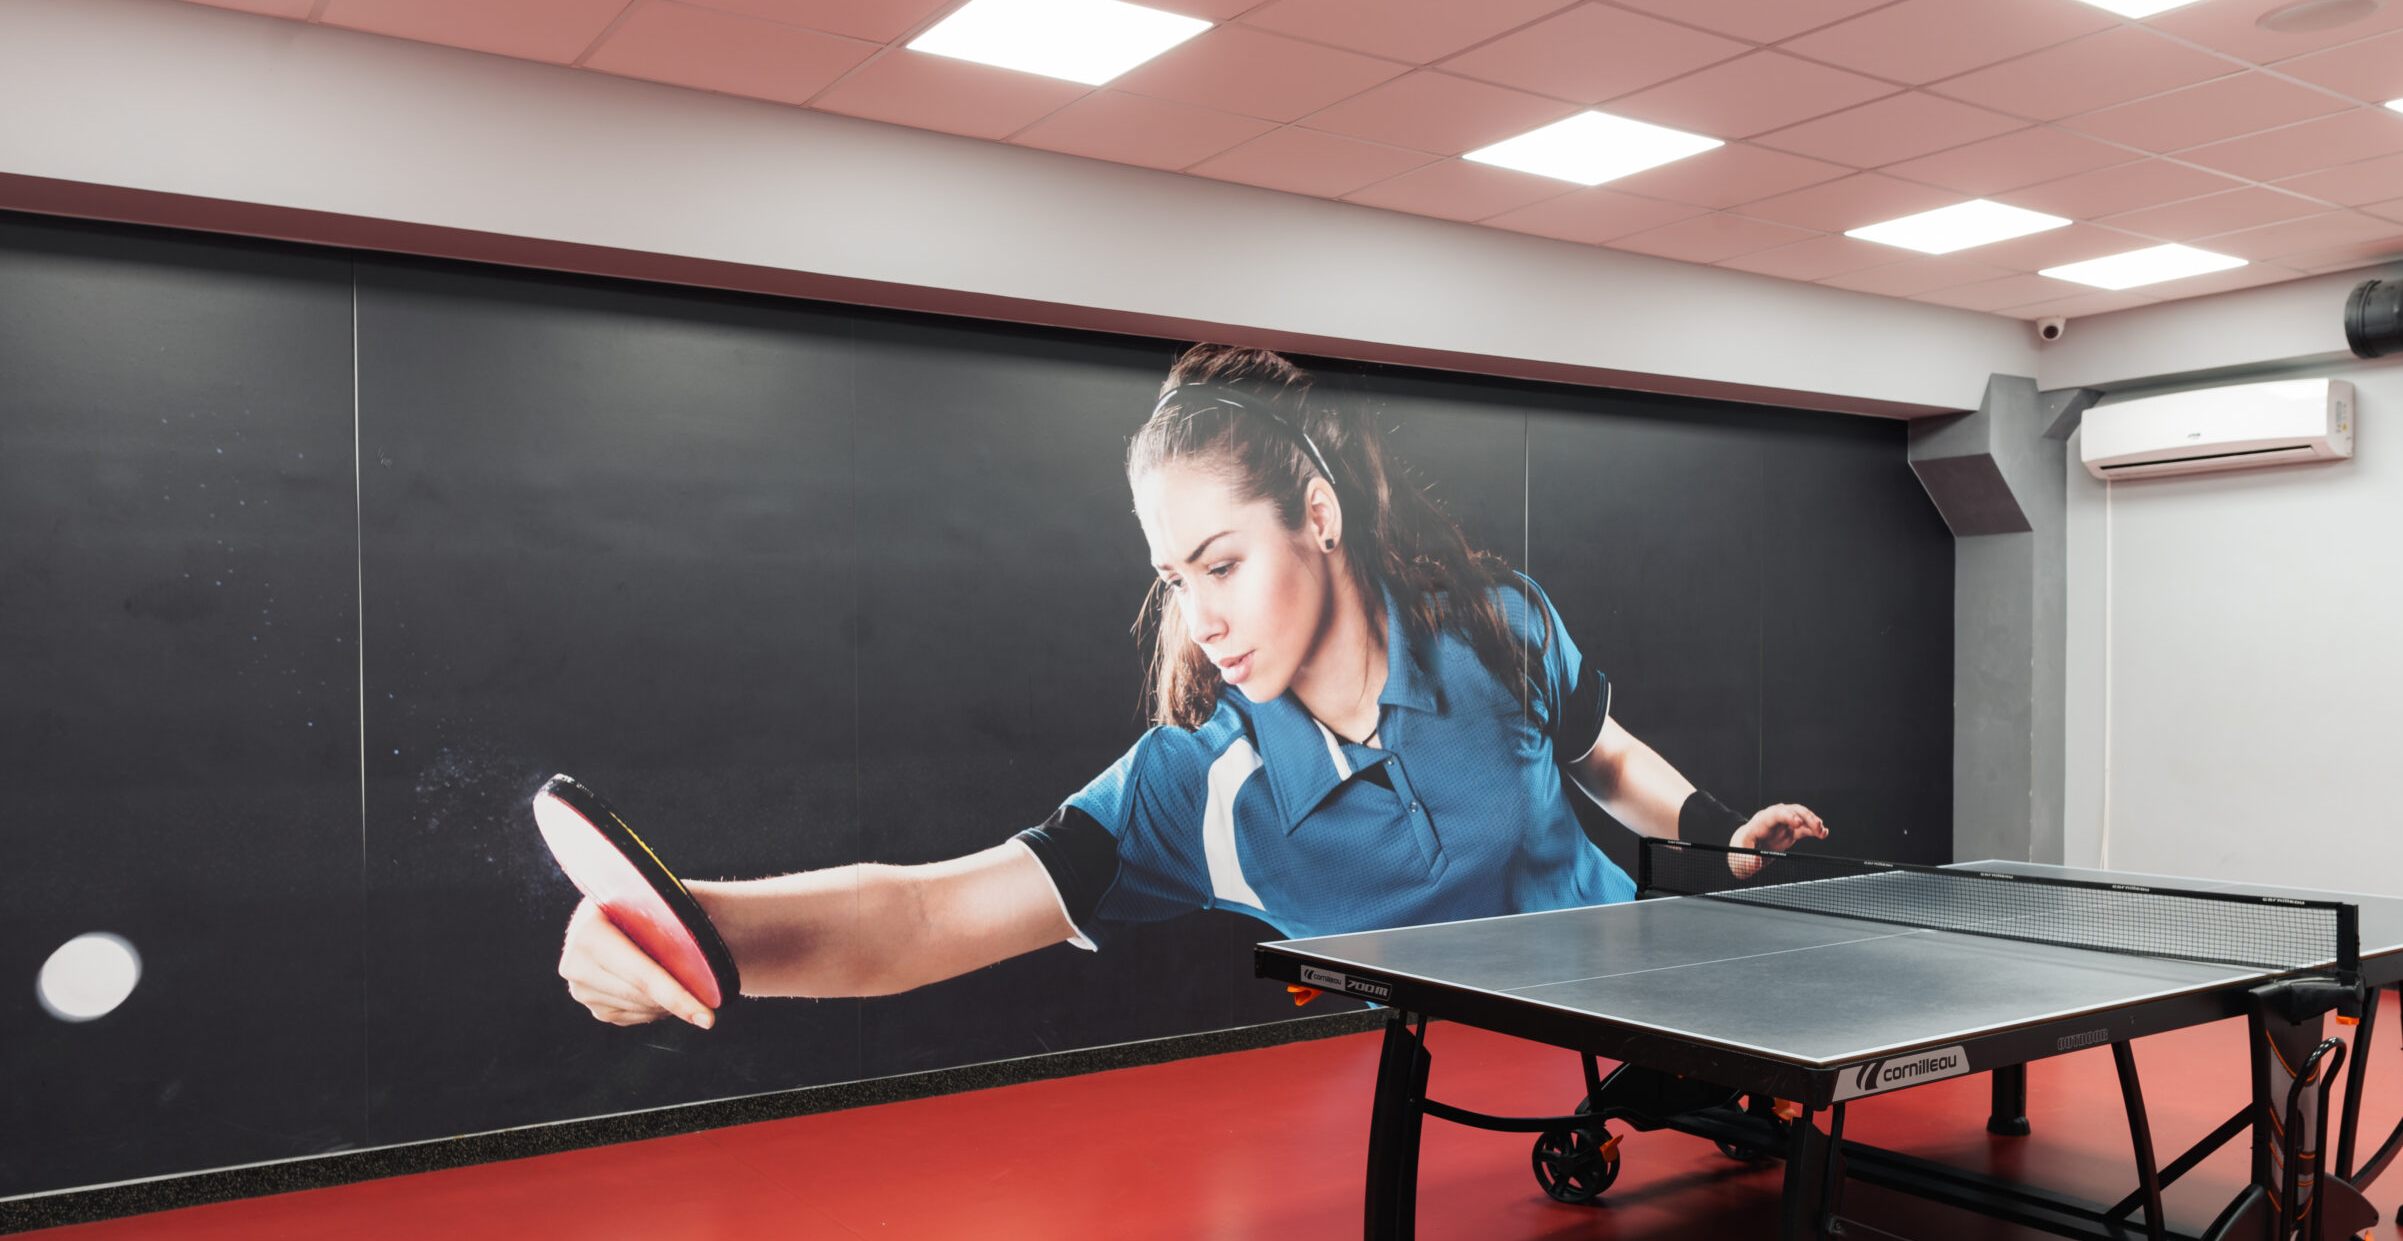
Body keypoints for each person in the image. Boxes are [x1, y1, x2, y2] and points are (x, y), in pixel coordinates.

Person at [561, 346, 1826, 1029]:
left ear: (1317, 515)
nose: (1200, 617)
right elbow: (931, 913)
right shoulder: (1201, 789)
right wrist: (700, 928)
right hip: (1485, 1058)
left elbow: (1602, 752)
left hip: (1656, 1003)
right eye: (1174, 579)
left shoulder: (1495, 625)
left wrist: (1717, 829)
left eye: (1221, 564)